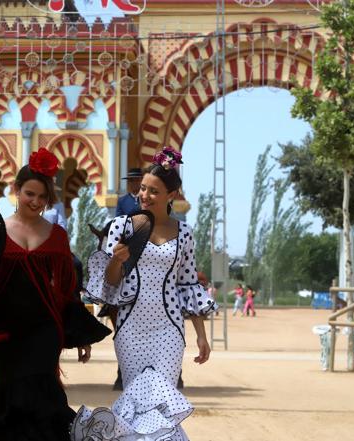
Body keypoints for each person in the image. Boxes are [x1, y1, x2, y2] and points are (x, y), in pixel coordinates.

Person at [0, 148, 111, 441]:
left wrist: (80, 336)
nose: (36, 202)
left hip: (44, 331)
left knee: (44, 399)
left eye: (42, 197)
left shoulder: (58, 235)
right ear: (16, 190)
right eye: (29, 194)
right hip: (3, 333)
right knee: (10, 397)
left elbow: (66, 290)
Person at [77, 146, 217, 440]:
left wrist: (201, 335)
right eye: (142, 189)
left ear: (172, 195)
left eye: (153, 191)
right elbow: (110, 284)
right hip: (130, 329)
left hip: (169, 330)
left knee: (162, 404)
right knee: (136, 405)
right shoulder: (121, 227)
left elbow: (188, 284)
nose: (144, 195)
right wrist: (116, 259)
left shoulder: (185, 234)